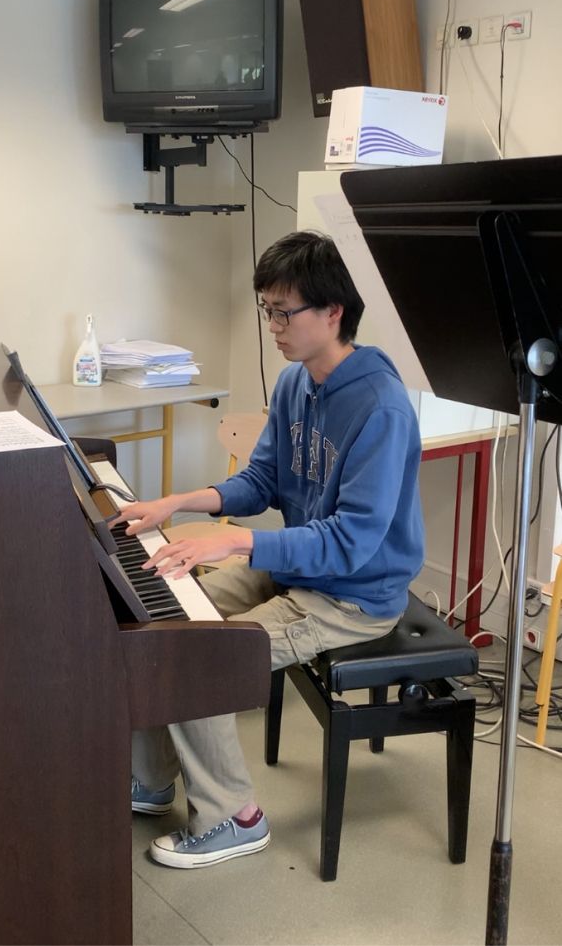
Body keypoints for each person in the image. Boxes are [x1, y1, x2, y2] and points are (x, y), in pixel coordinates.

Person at [114, 230, 425, 870]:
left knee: (199, 661)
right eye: (268, 310)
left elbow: (351, 541)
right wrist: (177, 503)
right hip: (292, 567)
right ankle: (153, 779)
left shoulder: (382, 407)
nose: (273, 327)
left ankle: (235, 817)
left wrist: (235, 543)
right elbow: (261, 482)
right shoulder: (294, 384)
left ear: (332, 312)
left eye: (284, 312)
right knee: (155, 616)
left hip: (353, 596)